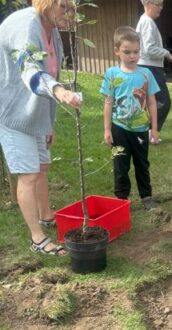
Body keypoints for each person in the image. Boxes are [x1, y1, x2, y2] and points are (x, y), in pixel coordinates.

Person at [0, 0, 81, 256]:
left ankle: (47, 215)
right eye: (64, 8)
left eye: (73, 9)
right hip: (12, 112)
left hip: (36, 113)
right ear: (47, 3)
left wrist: (49, 124)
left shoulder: (52, 30)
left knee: (42, 167)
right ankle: (37, 238)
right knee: (28, 174)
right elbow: (30, 69)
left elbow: (52, 73)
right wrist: (59, 90)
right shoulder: (26, 25)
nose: (70, 15)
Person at [100, 26, 160, 211]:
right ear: (117, 51)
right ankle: (121, 199)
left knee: (142, 164)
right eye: (127, 52)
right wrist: (107, 129)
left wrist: (154, 129)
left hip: (141, 130)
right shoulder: (111, 74)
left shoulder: (146, 74)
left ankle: (146, 196)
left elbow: (151, 103)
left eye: (135, 52)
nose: (132, 56)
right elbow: (108, 103)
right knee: (120, 165)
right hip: (119, 128)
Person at [136, 0, 172, 143]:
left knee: (147, 102)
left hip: (149, 67)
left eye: (162, 5)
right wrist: (167, 53)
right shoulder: (147, 22)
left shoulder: (147, 21)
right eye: (158, 4)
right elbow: (149, 49)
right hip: (150, 68)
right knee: (163, 102)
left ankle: (146, 134)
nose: (161, 8)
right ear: (148, 4)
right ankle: (151, 133)